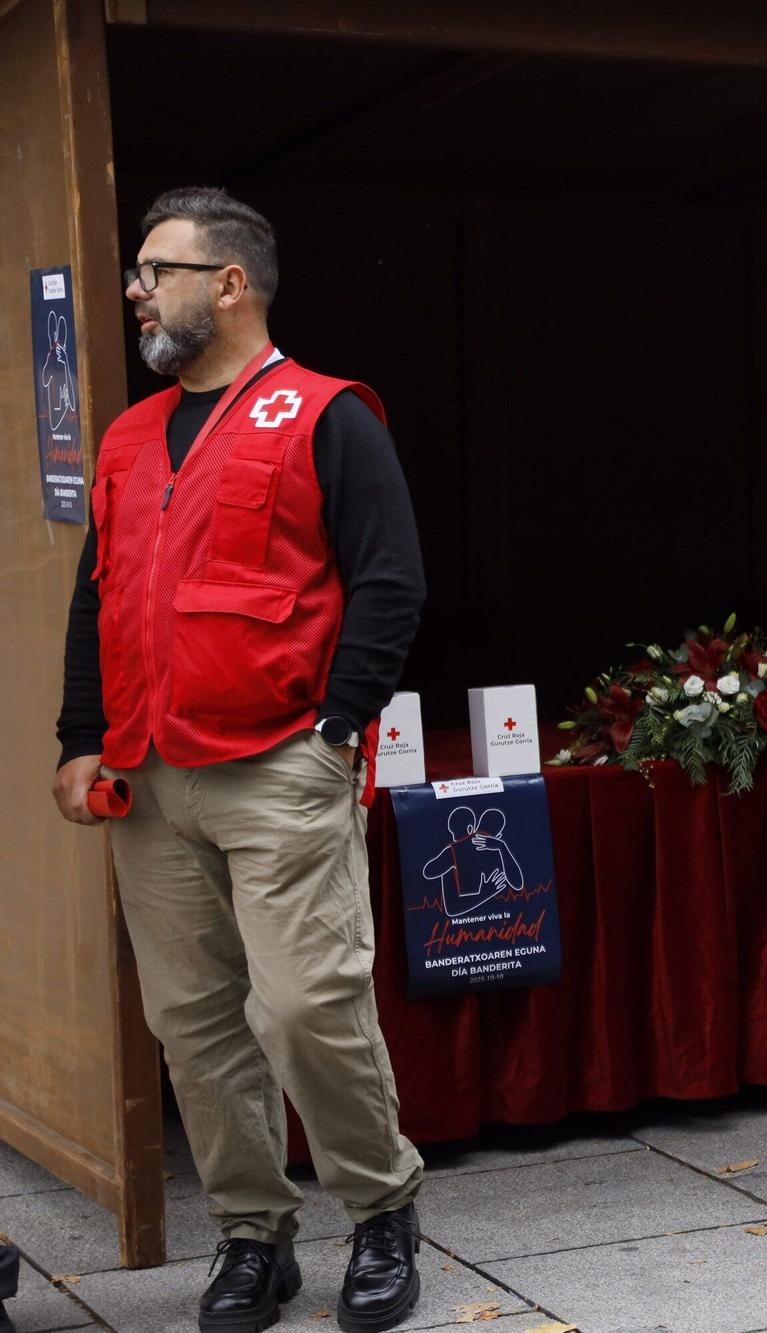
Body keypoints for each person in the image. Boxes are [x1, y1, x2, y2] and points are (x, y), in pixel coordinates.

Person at [50, 187, 426, 1333]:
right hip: (147, 776)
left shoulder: (325, 414)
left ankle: (379, 1209)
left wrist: (335, 728)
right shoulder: (125, 435)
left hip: (277, 761)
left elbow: (388, 581)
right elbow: (96, 593)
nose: (135, 291)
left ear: (230, 282)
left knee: (308, 1003)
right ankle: (253, 1235)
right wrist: (78, 736)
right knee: (193, 1022)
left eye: (154, 269)